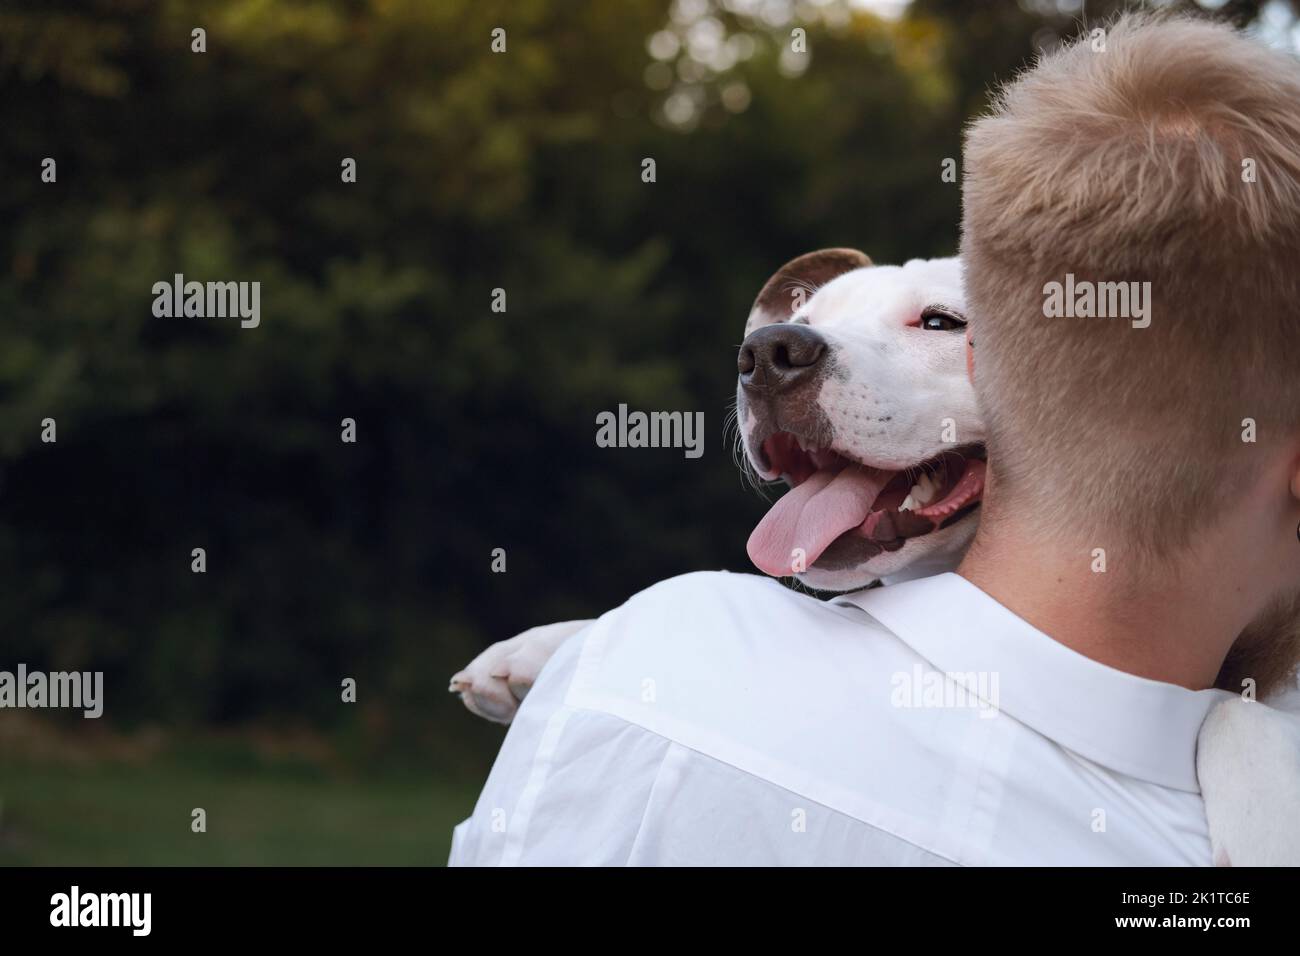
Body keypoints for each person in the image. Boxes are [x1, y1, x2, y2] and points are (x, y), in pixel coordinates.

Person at [449, 13, 1300, 866]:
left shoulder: (656, 671)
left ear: (1032, 364)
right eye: (797, 331)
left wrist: (607, 662)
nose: (786, 353)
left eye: (933, 322)